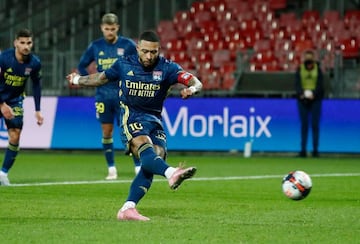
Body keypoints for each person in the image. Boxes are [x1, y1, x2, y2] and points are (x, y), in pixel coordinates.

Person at [67, 30, 202, 221]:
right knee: (145, 148)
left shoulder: (168, 68)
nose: (149, 56)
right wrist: (76, 79)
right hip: (131, 117)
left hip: (154, 121)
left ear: (159, 50)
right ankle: (172, 172)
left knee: (154, 160)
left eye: (153, 52)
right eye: (145, 51)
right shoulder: (124, 64)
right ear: (138, 48)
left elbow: (195, 80)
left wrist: (193, 88)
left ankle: (128, 208)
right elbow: (100, 78)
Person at [77, 13, 138, 180]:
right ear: (101, 28)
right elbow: (82, 65)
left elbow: (138, 64)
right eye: (106, 29)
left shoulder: (128, 45)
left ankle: (138, 167)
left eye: (112, 29)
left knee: (129, 131)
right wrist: (91, 80)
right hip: (103, 95)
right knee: (107, 131)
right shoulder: (95, 46)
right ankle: (111, 169)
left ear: (117, 27)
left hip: (123, 95)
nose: (109, 32)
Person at [0, 29, 44, 186]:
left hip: (15, 100)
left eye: (29, 43)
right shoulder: (3, 59)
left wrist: (38, 109)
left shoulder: (34, 63)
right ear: (16, 43)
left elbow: (37, 85)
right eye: (23, 43)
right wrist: (1, 105)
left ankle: (3, 174)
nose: (26, 46)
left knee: (15, 135)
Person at [295, 50, 324, 158]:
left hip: (315, 100)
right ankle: (303, 150)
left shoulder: (318, 70)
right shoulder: (300, 69)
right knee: (304, 125)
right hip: (302, 100)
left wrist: (314, 94)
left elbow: (320, 85)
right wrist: (301, 94)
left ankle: (315, 150)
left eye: (310, 58)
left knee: (315, 125)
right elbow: (297, 84)